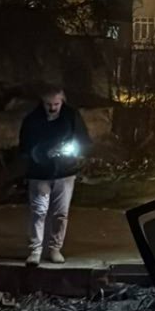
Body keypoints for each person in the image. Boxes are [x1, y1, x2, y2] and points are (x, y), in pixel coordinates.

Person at [19, 86, 91, 267]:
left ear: (62, 101)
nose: (52, 108)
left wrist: (74, 155)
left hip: (65, 172)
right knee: (39, 211)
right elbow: (25, 147)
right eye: (48, 104)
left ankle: (54, 249)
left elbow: (83, 140)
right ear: (42, 103)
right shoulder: (32, 120)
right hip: (39, 173)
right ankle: (35, 250)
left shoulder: (71, 117)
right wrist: (44, 153)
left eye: (56, 104)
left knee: (60, 213)